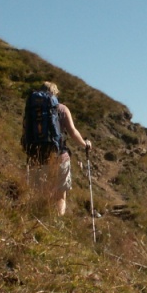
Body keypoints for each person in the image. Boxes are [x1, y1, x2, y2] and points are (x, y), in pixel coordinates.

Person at [25, 81, 92, 215]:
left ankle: (39, 219)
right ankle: (57, 222)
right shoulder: (61, 109)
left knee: (40, 193)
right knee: (60, 195)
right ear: (55, 93)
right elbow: (72, 132)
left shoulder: (31, 109)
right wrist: (85, 144)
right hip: (59, 156)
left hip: (37, 156)